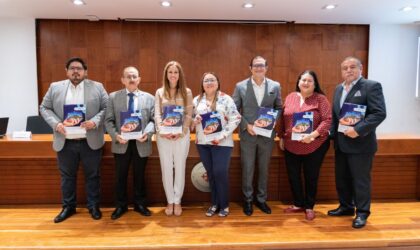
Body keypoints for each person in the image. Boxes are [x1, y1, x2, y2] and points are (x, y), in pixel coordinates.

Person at [40, 57, 108, 223]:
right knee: (67, 177)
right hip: (65, 141)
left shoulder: (97, 87)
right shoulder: (55, 87)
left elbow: (107, 107)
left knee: (93, 176)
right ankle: (68, 207)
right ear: (67, 71)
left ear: (85, 71)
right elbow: (44, 107)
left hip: (89, 140)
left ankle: (93, 206)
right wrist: (56, 124)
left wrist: (95, 121)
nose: (75, 71)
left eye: (79, 68)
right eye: (72, 68)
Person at [328, 57, 386, 229]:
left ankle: (362, 213)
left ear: (361, 68)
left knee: (360, 180)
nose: (348, 70)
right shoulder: (339, 88)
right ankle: (346, 207)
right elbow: (335, 116)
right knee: (342, 178)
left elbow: (379, 113)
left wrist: (358, 130)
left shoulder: (371, 86)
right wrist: (331, 134)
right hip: (341, 143)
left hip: (361, 144)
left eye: (352, 67)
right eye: (345, 67)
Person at [278, 70, 331, 221]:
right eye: (303, 80)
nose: (305, 83)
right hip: (291, 145)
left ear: (315, 84)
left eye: (309, 81)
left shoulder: (321, 99)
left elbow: (328, 120)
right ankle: (298, 204)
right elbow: (283, 118)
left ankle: (309, 206)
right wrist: (281, 136)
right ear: (298, 82)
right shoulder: (290, 97)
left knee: (311, 177)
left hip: (314, 145)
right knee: (293, 176)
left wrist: (313, 135)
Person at [232, 56, 282, 216]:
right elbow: (234, 110)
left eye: (262, 65)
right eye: (256, 65)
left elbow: (279, 107)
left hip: (267, 136)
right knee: (247, 168)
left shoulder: (275, 86)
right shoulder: (240, 86)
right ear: (250, 68)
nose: (259, 68)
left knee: (263, 168)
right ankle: (247, 200)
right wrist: (247, 125)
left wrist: (272, 121)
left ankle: (261, 199)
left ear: (266, 68)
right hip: (248, 135)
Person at [104, 66, 155, 220]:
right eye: (128, 76)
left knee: (140, 176)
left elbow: (154, 120)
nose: (132, 79)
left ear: (139, 79)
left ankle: (140, 204)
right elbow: (108, 120)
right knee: (121, 176)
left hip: (142, 143)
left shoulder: (149, 98)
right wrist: (115, 135)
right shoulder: (112, 97)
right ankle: (121, 205)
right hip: (121, 143)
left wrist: (147, 133)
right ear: (123, 80)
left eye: (134, 76)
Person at [192, 72, 241, 217]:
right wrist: (195, 121)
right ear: (202, 84)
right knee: (211, 174)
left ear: (218, 83)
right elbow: (192, 120)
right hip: (203, 142)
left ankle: (224, 205)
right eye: (206, 80)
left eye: (212, 80)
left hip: (222, 143)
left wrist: (223, 135)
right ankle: (214, 203)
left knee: (220, 173)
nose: (209, 83)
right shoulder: (196, 100)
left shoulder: (226, 99)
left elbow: (236, 118)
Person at [155, 61, 193, 216]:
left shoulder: (187, 92)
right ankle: (169, 200)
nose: (173, 75)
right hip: (163, 136)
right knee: (166, 169)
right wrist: (162, 131)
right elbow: (157, 114)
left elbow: (188, 115)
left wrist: (182, 132)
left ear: (179, 75)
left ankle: (177, 201)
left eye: (175, 72)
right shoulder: (159, 92)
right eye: (170, 72)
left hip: (181, 137)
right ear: (166, 74)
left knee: (179, 168)